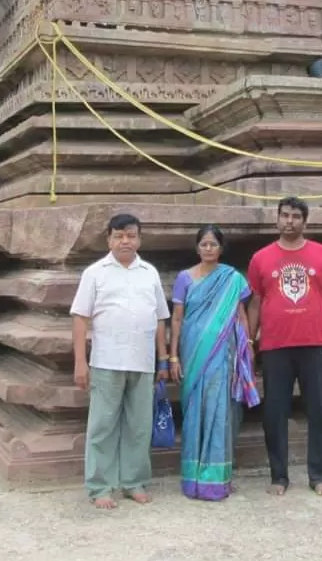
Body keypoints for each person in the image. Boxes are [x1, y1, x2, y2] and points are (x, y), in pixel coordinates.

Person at [246, 196, 322, 497]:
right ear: (277, 219)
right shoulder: (260, 258)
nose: (289, 221)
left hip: (316, 344)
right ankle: (279, 476)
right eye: (284, 215)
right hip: (275, 346)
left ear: (305, 221)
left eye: (295, 216)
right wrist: (249, 343)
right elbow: (254, 303)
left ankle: (319, 474)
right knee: (274, 413)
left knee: (318, 411)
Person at [70, 213, 171, 509]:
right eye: (118, 235)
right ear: (109, 239)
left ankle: (133, 482)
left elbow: (160, 318)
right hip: (106, 362)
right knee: (102, 426)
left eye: (130, 235)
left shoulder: (149, 272)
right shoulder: (95, 272)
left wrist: (163, 359)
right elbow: (80, 318)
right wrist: (80, 361)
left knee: (139, 426)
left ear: (139, 238)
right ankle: (100, 487)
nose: (125, 240)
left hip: (143, 362)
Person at [169, 225, 260, 501]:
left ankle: (216, 480)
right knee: (195, 410)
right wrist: (173, 355)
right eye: (204, 244)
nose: (208, 249)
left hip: (224, 354)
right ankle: (192, 478)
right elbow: (176, 318)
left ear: (221, 249)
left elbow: (241, 315)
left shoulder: (232, 279)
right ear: (197, 248)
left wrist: (249, 348)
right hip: (192, 353)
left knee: (220, 411)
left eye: (213, 244)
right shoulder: (185, 278)